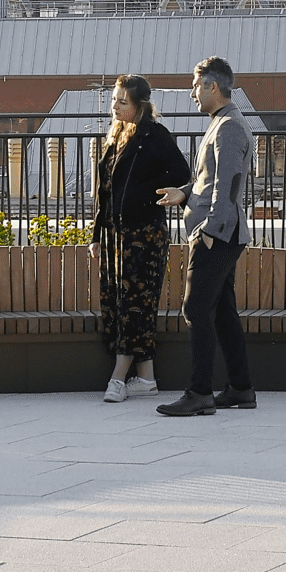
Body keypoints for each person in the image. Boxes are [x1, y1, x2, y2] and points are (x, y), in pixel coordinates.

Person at [155, 56, 254, 417]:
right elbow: (209, 181)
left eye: (196, 86)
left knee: (195, 308)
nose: (192, 94)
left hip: (217, 233)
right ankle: (241, 388)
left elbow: (229, 188)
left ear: (213, 87)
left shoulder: (228, 128)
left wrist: (209, 232)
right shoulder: (223, 122)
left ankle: (199, 393)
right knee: (222, 311)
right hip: (223, 231)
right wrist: (184, 192)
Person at [91, 75, 190, 403]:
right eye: (114, 100)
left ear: (140, 106)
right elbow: (103, 190)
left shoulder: (155, 135)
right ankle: (146, 377)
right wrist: (96, 233)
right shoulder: (115, 135)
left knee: (134, 304)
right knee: (122, 304)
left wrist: (148, 194)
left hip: (145, 234)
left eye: (123, 102)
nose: (115, 106)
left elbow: (181, 174)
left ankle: (118, 378)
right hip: (115, 235)